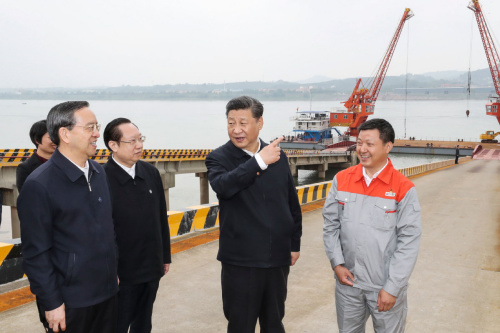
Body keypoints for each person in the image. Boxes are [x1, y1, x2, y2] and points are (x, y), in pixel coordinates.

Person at [17, 101, 118, 333]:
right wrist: (51, 302)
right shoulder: (39, 184)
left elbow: (108, 229)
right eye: (90, 127)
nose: (96, 134)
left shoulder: (99, 172)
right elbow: (35, 253)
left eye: (97, 126)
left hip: (107, 293)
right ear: (65, 134)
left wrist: (114, 272)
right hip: (70, 301)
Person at [205, 96, 302, 333]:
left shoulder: (278, 156)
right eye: (231, 123)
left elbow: (290, 201)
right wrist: (259, 161)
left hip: (277, 257)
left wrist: (294, 242)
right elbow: (224, 186)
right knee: (240, 324)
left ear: (259, 123)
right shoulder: (219, 158)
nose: (236, 130)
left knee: (274, 322)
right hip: (241, 260)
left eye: (243, 122)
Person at [323, 118, 421, 333]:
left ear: (388, 147)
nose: (362, 149)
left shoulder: (403, 188)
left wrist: (393, 287)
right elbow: (331, 226)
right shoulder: (342, 179)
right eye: (359, 143)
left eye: (369, 144)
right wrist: (337, 264)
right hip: (348, 283)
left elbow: (409, 242)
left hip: (383, 286)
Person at [103, 118, 171, 333]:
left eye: (140, 139)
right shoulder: (101, 179)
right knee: (118, 324)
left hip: (151, 267)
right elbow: (101, 231)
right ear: (113, 146)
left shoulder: (150, 173)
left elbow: (161, 217)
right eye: (131, 141)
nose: (139, 145)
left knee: (144, 322)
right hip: (121, 272)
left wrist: (165, 257)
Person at [16, 120, 57, 192]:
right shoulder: (25, 168)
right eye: (51, 137)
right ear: (37, 140)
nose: (55, 140)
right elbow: (26, 197)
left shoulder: (68, 162)